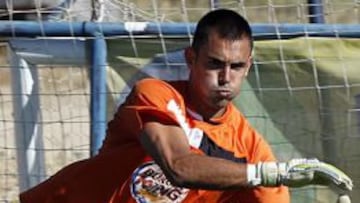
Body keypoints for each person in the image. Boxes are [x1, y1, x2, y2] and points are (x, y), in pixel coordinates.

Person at [20, 9, 352, 203]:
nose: (225, 77)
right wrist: (270, 173)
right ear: (191, 59)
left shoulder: (251, 150)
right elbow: (178, 166)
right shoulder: (154, 94)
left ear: (248, 67)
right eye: (214, 64)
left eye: (236, 67)